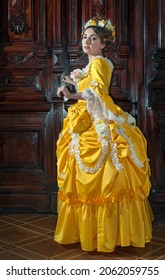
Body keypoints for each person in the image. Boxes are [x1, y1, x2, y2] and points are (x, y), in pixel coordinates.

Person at [54, 16, 153, 253]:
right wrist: (72, 82)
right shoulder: (93, 64)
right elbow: (90, 85)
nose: (87, 42)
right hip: (89, 116)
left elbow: (95, 94)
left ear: (103, 43)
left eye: (93, 38)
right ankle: (103, 233)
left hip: (98, 119)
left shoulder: (98, 63)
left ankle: (102, 234)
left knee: (103, 169)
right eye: (85, 37)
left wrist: (70, 94)